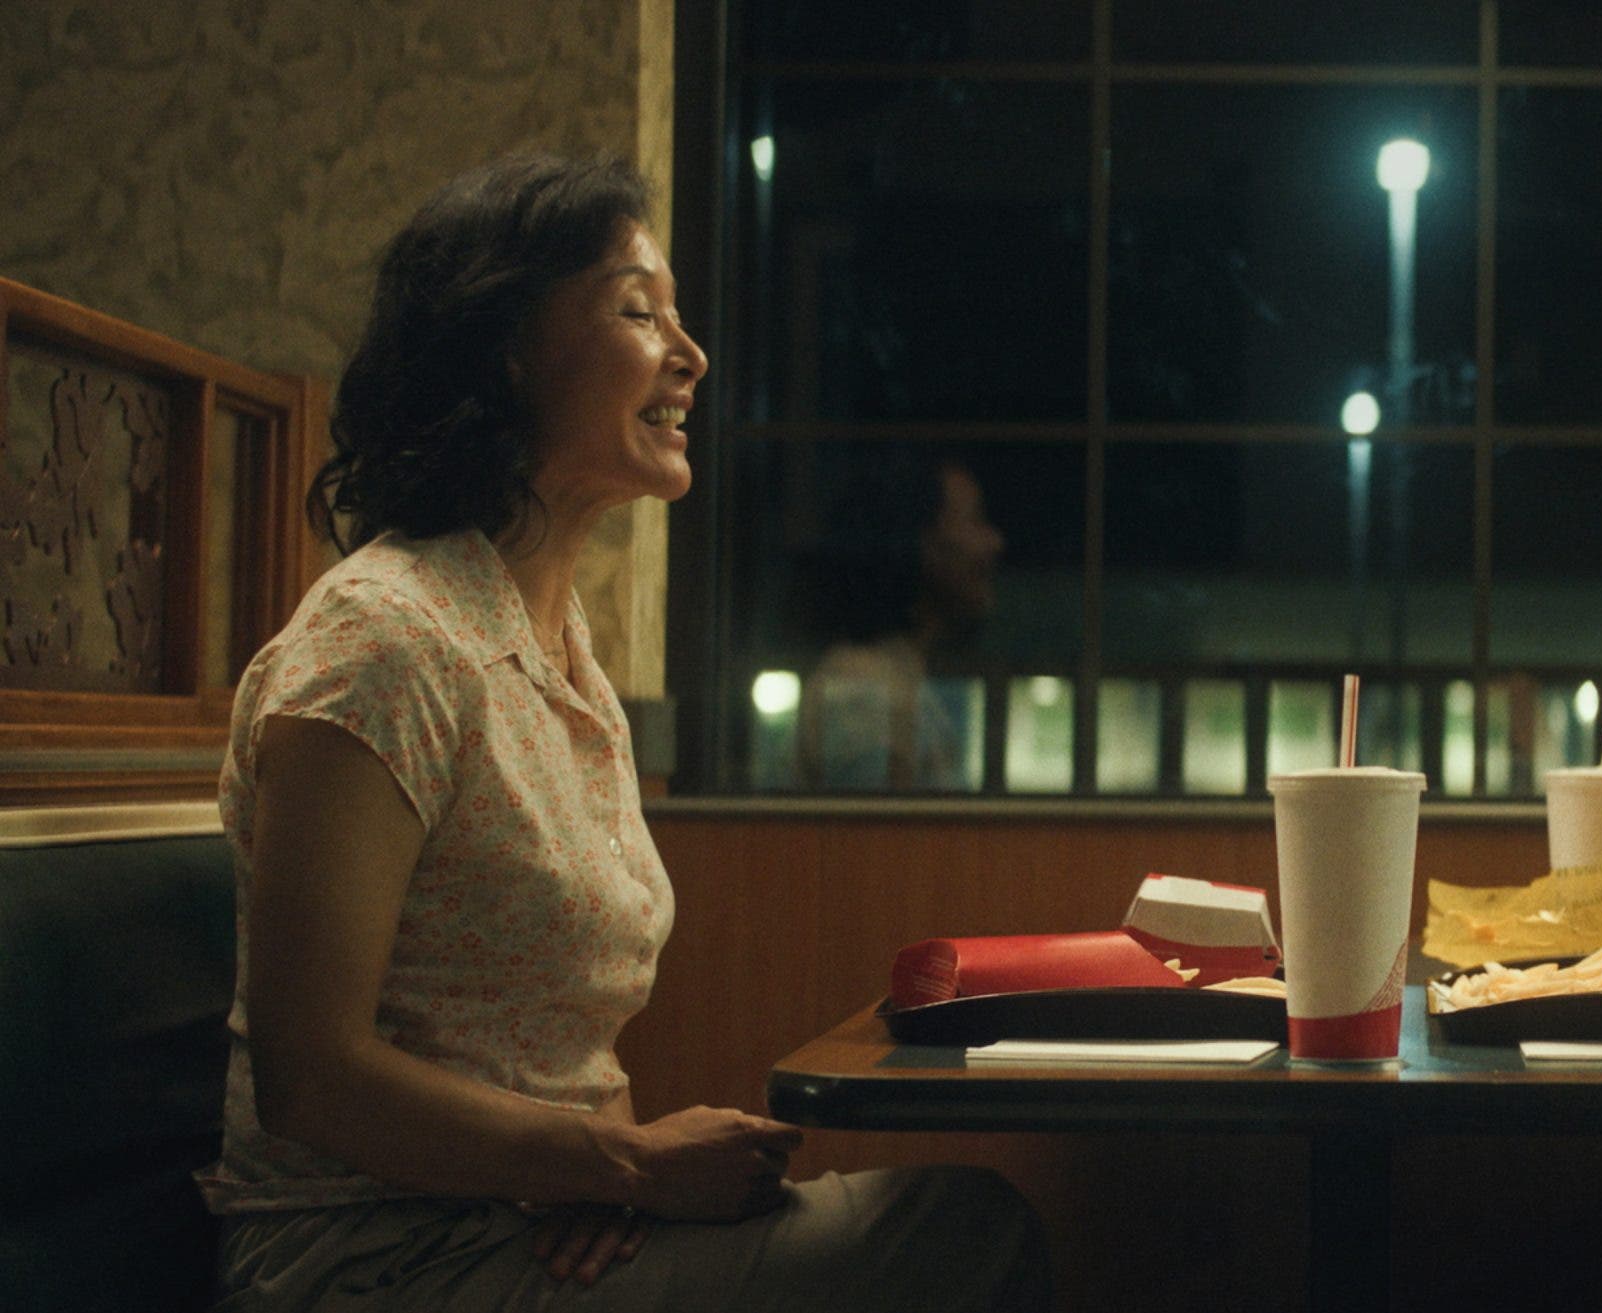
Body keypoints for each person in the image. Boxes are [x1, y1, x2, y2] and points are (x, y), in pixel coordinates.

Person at [199, 154, 1047, 1310]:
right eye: (640, 312)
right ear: (506, 348)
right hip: (372, 1254)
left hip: (532, 1215)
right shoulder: (383, 640)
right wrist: (623, 1164)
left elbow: (559, 1038)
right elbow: (310, 1077)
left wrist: (606, 1179)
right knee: (958, 1233)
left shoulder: (559, 646)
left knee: (958, 1221)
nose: (690, 355)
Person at [793, 454, 1005, 790]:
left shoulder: (891, 679)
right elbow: (871, 822)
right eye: (974, 521)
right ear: (918, 542)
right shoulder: (864, 690)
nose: (994, 542)